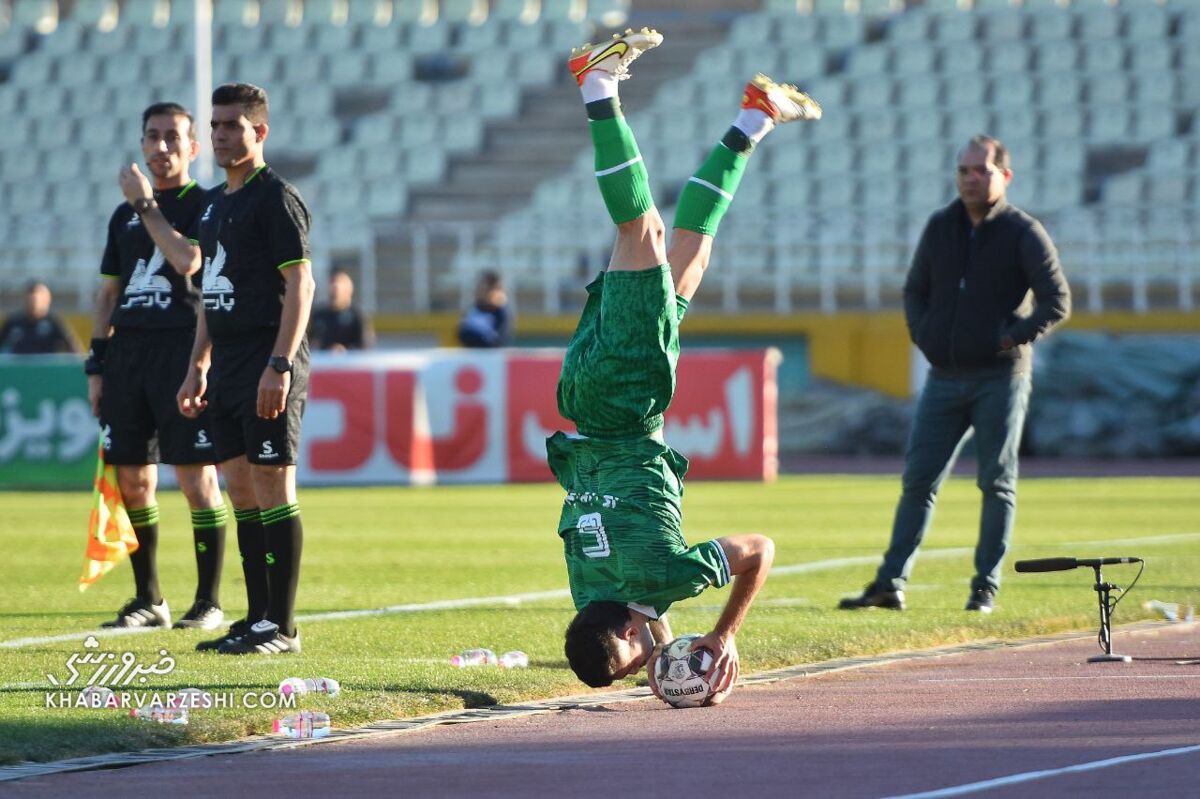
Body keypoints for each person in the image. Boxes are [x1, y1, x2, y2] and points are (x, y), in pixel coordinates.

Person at [551, 29, 819, 692]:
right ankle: (754, 115)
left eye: (635, 655)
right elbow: (638, 601)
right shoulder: (590, 587)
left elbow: (760, 550)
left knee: (643, 231)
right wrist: (659, 646)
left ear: (621, 631)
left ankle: (596, 84)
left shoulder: (663, 577)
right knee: (692, 255)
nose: (647, 655)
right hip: (595, 405)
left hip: (623, 399)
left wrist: (723, 633)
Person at [838, 135, 1071, 615]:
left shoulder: (1023, 231)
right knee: (918, 481)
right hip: (943, 377)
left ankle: (985, 586)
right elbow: (915, 291)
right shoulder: (941, 226)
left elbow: (1057, 300)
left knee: (996, 483)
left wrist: (1011, 338)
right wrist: (924, 334)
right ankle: (889, 584)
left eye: (980, 170)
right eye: (964, 170)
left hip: (999, 378)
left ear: (1004, 176)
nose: (970, 178)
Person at [123, 82, 314, 655]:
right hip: (225, 365)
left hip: (266, 359)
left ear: (260, 132)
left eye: (234, 124)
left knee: (274, 485)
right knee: (241, 491)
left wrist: (280, 364)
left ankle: (282, 627)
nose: (223, 133)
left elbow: (299, 283)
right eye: (217, 124)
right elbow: (209, 292)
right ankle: (256, 618)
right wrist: (197, 365)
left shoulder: (276, 196)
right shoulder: (215, 206)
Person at [87, 102, 228, 631]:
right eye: (153, 136)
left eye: (173, 137)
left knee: (196, 480)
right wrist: (97, 366)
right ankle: (149, 599)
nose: (162, 146)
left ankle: (209, 601)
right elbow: (107, 295)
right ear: (142, 144)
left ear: (193, 148)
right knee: (133, 480)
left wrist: (147, 204)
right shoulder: (121, 214)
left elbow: (188, 261)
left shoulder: (207, 206)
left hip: (181, 349)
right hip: (128, 357)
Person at [0, 281, 81, 354]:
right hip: (19, 369)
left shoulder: (54, 323)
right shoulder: (13, 322)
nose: (33, 303)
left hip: (46, 370)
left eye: (37, 299)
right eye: (31, 299)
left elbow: (75, 352)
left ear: (47, 300)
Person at [309, 267, 373, 351]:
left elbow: (365, 345)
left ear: (348, 290)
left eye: (338, 286)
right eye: (332, 284)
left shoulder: (357, 316)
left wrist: (345, 351)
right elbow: (309, 341)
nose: (333, 288)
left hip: (348, 363)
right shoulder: (318, 314)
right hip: (323, 363)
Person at [456, 270, 510, 348]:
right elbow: (462, 333)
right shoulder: (473, 309)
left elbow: (500, 338)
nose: (478, 288)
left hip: (490, 356)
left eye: (482, 285)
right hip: (472, 355)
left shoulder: (500, 311)